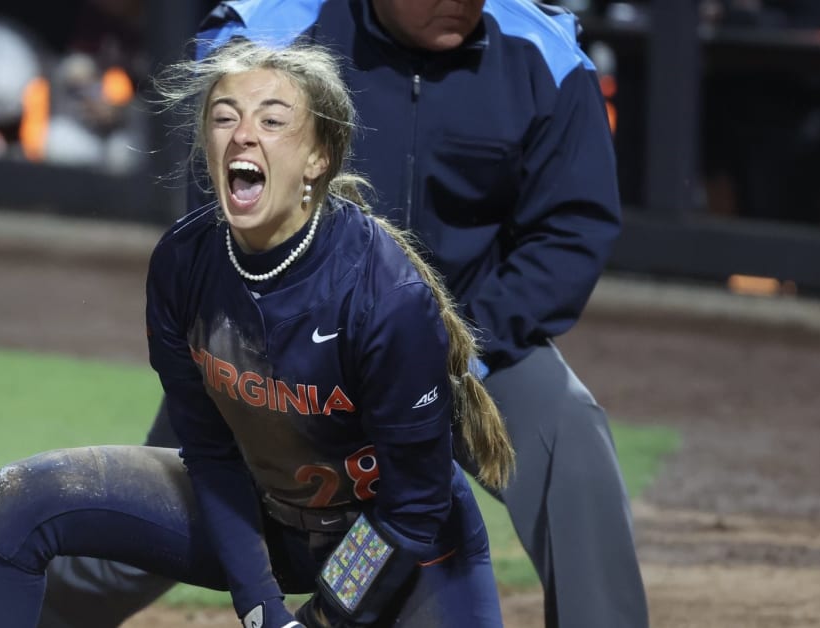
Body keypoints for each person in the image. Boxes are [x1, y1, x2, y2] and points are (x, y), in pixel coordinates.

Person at [40, 2, 649, 628]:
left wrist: (455, 344)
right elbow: (227, 212)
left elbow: (571, 231)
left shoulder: (541, 50)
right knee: (163, 519)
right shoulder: (267, 31)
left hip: (473, 345)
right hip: (276, 345)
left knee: (572, 444)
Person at [0, 38, 516, 628]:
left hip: (393, 544)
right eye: (225, 117)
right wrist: (262, 609)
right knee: (25, 499)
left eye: (272, 120)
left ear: (318, 157)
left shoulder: (385, 297)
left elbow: (413, 507)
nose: (243, 134)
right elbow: (211, 453)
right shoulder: (183, 264)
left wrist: (322, 620)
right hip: (261, 511)